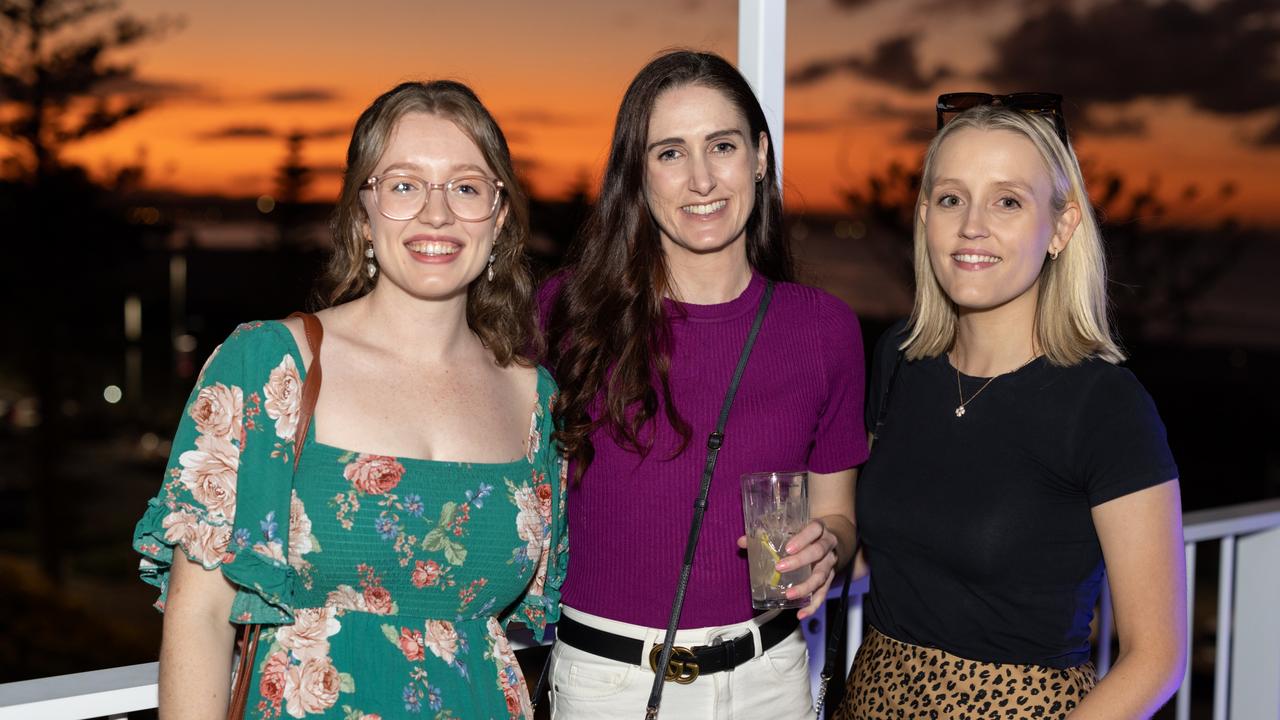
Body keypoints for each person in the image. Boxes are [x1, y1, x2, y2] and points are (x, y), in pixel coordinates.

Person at [133, 80, 567, 719]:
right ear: (362, 212)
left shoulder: (534, 401)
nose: (437, 214)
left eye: (467, 187)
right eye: (403, 185)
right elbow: (200, 616)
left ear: (499, 218)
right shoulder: (270, 368)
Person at [541, 50, 867, 719]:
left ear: (760, 156)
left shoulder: (822, 328)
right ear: (638, 174)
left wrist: (827, 545)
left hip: (771, 680)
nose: (700, 179)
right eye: (669, 153)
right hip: (608, 686)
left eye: (721, 145)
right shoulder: (564, 313)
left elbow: (840, 516)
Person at [837, 95, 1185, 719]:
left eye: (1008, 200)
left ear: (1061, 227)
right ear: (924, 217)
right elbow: (898, 543)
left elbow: (1156, 657)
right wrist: (822, 554)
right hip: (869, 702)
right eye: (950, 198)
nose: (973, 224)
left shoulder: (1105, 405)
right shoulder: (898, 359)